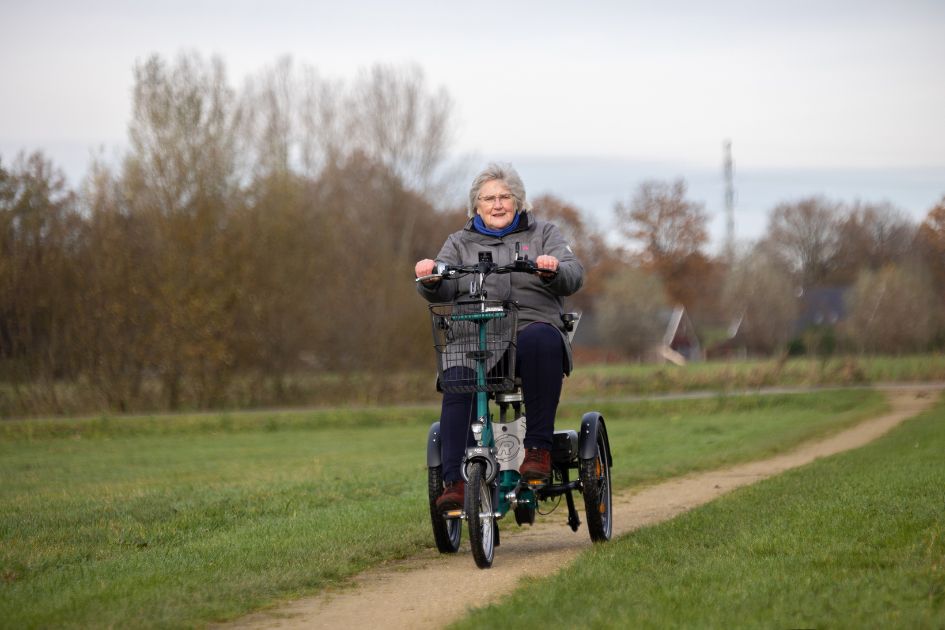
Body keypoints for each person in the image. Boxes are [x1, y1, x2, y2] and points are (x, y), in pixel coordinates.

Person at [415, 162, 584, 512]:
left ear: (518, 201)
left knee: (541, 339)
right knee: (457, 375)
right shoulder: (458, 243)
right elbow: (442, 281)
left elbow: (573, 273)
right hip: (476, 336)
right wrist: (431, 278)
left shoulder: (544, 233)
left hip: (530, 331)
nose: (497, 204)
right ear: (476, 206)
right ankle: (455, 483)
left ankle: (537, 451)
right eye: (488, 198)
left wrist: (552, 270)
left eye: (504, 197)